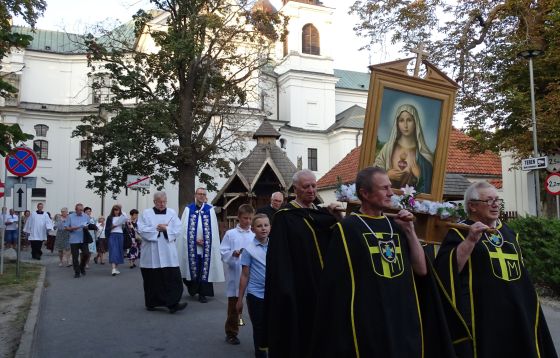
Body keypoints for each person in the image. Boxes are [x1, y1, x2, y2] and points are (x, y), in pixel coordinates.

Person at [311, 167, 462, 357]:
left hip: (403, 317)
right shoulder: (348, 228)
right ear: (365, 193)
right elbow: (336, 287)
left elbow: (422, 270)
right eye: (384, 188)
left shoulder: (397, 225)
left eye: (390, 187)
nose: (391, 193)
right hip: (370, 323)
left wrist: (410, 231)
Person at [434, 181, 558, 358]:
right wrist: (470, 240)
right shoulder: (459, 232)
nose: (495, 204)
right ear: (472, 206)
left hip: (517, 313)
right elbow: (446, 270)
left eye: (497, 200)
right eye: (489, 200)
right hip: (484, 315)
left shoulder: (508, 233)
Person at [264, 169, 341, 358]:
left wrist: (338, 218)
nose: (311, 190)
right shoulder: (285, 217)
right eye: (306, 186)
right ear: (295, 189)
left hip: (323, 285)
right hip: (300, 288)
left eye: (314, 186)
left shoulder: (323, 215)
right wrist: (285, 291)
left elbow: (339, 244)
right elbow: (279, 259)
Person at [137, 192, 187, 314]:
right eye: (159, 201)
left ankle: (173, 303)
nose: (162, 204)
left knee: (173, 278)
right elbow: (141, 229)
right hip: (151, 253)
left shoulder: (171, 213)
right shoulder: (146, 213)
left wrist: (166, 229)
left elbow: (178, 229)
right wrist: (156, 228)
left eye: (164, 201)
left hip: (168, 252)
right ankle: (152, 303)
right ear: (154, 201)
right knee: (153, 280)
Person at [178, 187, 224, 303]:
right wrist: (193, 240)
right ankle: (193, 289)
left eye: (204, 194)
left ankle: (202, 293)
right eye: (199, 194)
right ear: (195, 195)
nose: (201, 196)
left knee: (204, 269)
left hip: (205, 247)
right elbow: (183, 229)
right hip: (192, 246)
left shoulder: (210, 210)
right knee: (193, 267)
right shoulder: (189, 209)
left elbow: (214, 230)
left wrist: (207, 241)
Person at [374, 104, 434, 193]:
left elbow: (428, 185)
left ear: (415, 122)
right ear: (397, 123)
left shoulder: (423, 154)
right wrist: (386, 174)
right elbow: (373, 172)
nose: (405, 125)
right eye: (401, 120)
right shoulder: (388, 148)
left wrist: (419, 175)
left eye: (409, 120)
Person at [220, 204, 255, 345]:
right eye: (245, 218)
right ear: (239, 218)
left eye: (250, 219)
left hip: (252, 275)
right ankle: (231, 332)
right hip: (236, 275)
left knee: (254, 305)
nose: (247, 221)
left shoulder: (254, 235)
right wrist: (232, 254)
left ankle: (259, 333)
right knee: (235, 306)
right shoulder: (230, 234)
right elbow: (223, 252)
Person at [237, 213, 270, 358]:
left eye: (266, 225)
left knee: (274, 324)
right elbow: (245, 275)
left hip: (273, 293)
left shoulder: (276, 246)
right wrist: (240, 299)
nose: (263, 229)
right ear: (253, 229)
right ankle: (260, 352)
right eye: (259, 226)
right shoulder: (249, 249)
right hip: (256, 294)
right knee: (259, 326)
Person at [65, 203, 92, 278]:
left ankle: (82, 267)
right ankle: (77, 272)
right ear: (76, 210)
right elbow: (66, 227)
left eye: (82, 210)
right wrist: (74, 228)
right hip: (74, 239)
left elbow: (88, 225)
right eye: (80, 210)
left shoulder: (86, 216)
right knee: (75, 257)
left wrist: (87, 227)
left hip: (83, 239)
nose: (81, 211)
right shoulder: (70, 216)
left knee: (86, 254)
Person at [106, 205, 128, 276]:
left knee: (119, 251)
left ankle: (115, 268)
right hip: (112, 235)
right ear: (113, 210)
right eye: (115, 210)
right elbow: (107, 228)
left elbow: (124, 227)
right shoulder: (110, 217)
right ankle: (113, 268)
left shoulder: (122, 217)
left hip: (120, 235)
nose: (116, 211)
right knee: (113, 251)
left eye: (118, 210)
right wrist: (114, 225)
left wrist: (123, 223)